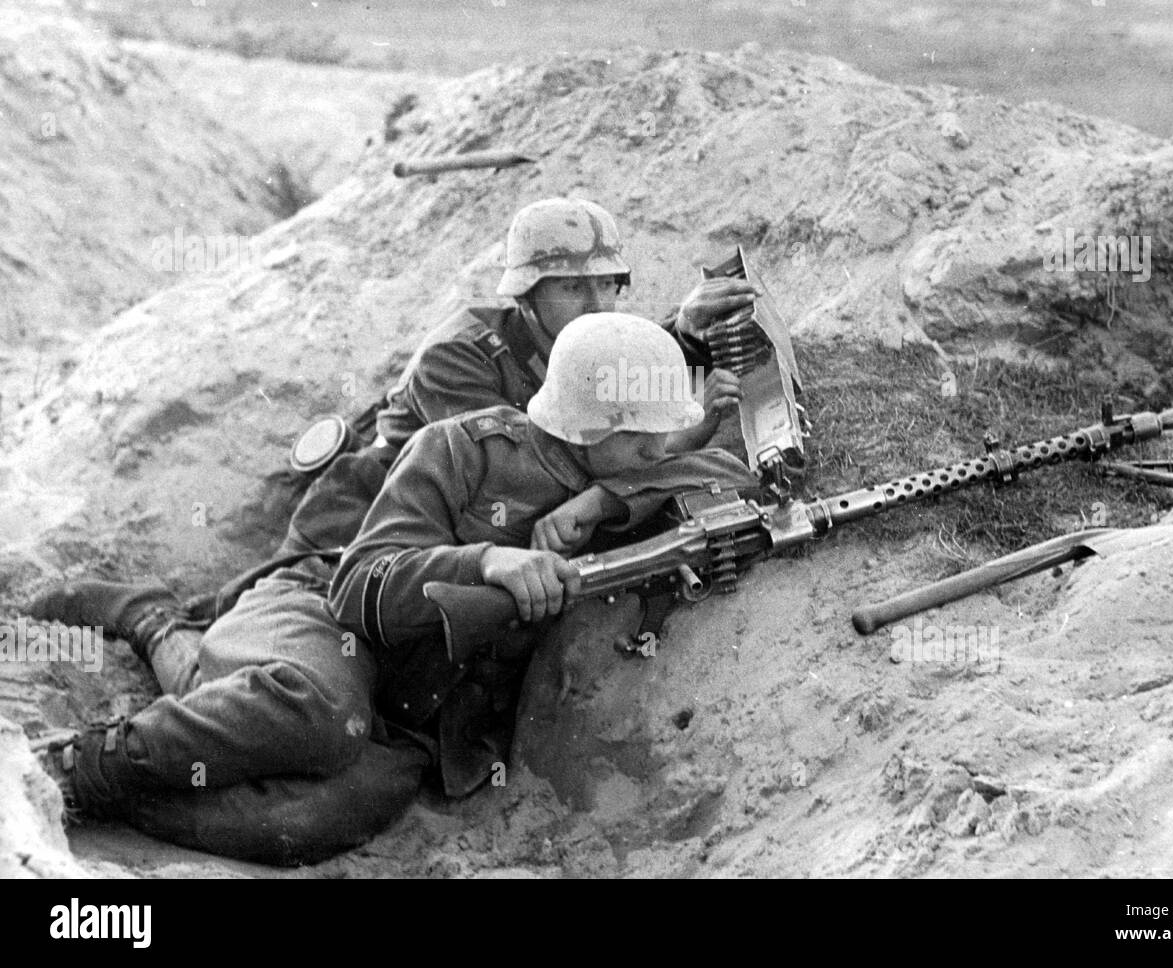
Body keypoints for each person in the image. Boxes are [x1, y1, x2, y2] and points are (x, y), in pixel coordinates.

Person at [35, 314, 757, 865]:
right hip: (317, 613)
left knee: (318, 816)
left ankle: (159, 689)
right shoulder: (461, 448)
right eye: (643, 438)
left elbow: (722, 474)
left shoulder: (619, 474)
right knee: (317, 711)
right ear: (592, 420)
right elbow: (360, 582)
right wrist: (484, 563)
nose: (660, 450)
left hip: (412, 712)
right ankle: (74, 765)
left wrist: (602, 503)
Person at [27, 197, 756, 642]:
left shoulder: (585, 343)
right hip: (367, 523)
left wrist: (678, 339)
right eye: (574, 288)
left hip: (453, 537)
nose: (599, 309)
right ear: (528, 294)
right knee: (244, 634)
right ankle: (144, 615)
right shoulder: (460, 359)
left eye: (610, 288)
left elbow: (598, 424)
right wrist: (624, 480)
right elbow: (531, 478)